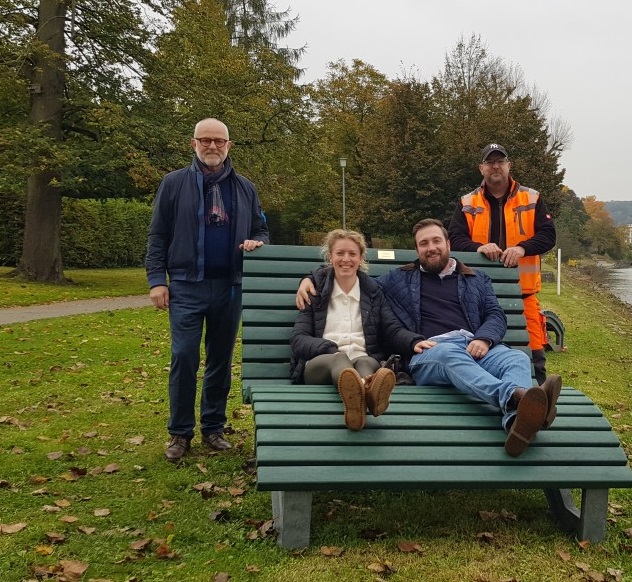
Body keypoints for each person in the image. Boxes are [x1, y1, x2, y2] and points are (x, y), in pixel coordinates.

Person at [298, 219, 561, 457]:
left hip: (477, 345)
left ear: (448, 244)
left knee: (516, 358)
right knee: (449, 355)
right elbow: (351, 275)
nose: (431, 247)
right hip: (431, 351)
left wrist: (484, 339)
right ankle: (519, 397)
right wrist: (312, 278)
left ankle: (517, 421)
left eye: (436, 241)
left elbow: (495, 315)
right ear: (417, 251)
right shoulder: (399, 279)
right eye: (423, 244)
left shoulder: (475, 277)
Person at [146, 118, 269, 462]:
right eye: (206, 140)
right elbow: (157, 236)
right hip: (186, 285)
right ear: (194, 143)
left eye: (219, 141)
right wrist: (157, 280)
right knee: (184, 356)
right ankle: (179, 433)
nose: (212, 146)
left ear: (229, 145)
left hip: (229, 287)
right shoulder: (173, 184)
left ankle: (213, 427)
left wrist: (255, 242)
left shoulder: (245, 187)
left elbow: (262, 230)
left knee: (220, 359)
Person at [291, 229, 429, 431]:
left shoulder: (374, 293)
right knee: (340, 358)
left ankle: (360, 399)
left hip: (361, 358)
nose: (346, 259)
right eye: (340, 253)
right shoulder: (315, 292)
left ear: (361, 258)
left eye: (352, 254)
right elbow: (298, 338)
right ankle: (366, 396)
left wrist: (414, 341)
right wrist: (329, 349)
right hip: (321, 364)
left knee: (366, 361)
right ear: (330, 257)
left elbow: (392, 329)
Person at [448, 143, 557, 384]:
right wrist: (478, 248)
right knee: (478, 353)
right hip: (476, 295)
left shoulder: (532, 197)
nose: (495, 166)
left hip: (522, 293)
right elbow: (454, 239)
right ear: (481, 168)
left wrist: (522, 248)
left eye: (500, 161)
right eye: (490, 162)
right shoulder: (467, 202)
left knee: (534, 355)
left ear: (509, 166)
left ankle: (536, 402)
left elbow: (548, 235)